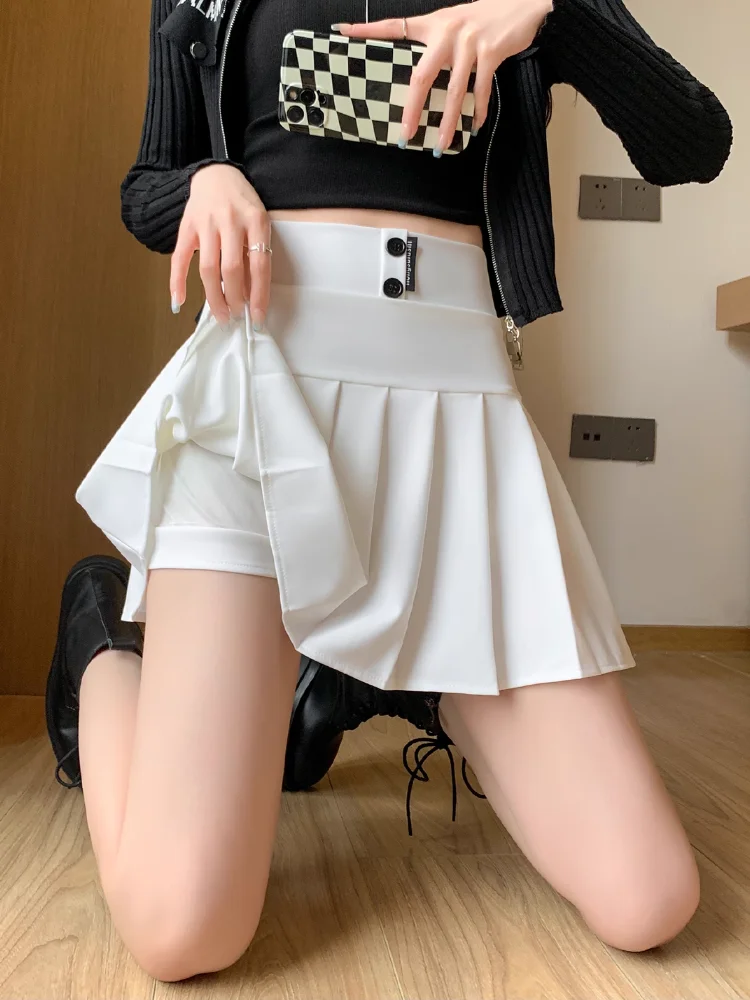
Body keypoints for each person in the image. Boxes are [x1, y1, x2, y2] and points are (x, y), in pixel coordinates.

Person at [45, 0, 731, 983]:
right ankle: (102, 639)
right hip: (261, 398)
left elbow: (695, 142)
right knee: (182, 930)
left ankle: (389, 670)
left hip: (456, 411)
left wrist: (551, 11)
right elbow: (146, 183)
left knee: (649, 897)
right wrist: (202, 183)